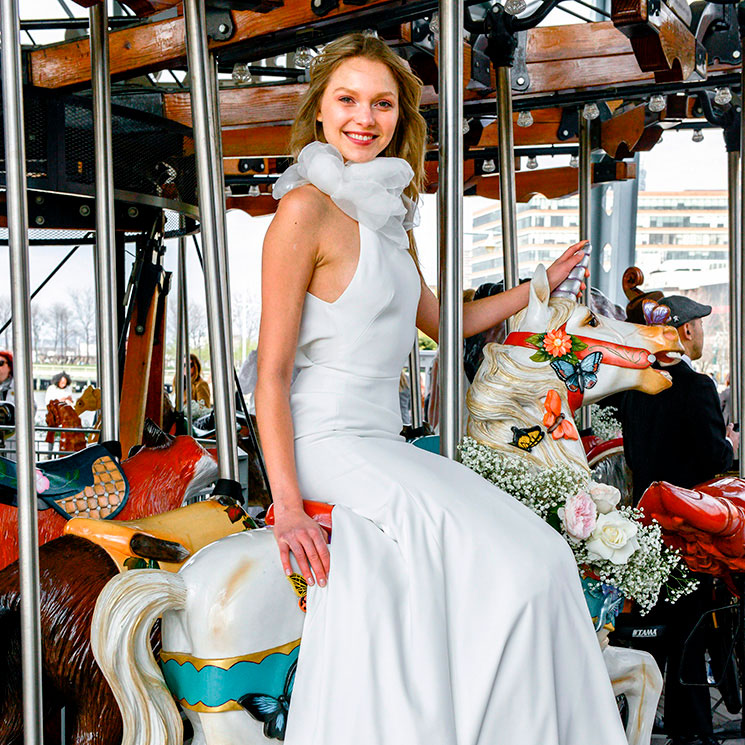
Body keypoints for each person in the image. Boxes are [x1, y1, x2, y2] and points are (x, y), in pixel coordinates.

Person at [255, 33, 626, 745]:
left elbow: (443, 323)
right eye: (348, 100)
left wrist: (537, 284)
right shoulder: (303, 211)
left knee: (540, 554)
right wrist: (288, 506)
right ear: (321, 111)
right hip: (324, 439)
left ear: (400, 117)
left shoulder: (385, 219)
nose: (365, 117)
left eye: (382, 103)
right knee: (521, 564)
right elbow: (270, 373)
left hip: (379, 441)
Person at [620, 295, 739, 745]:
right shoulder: (696, 388)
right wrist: (728, 444)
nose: (703, 334)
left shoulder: (637, 387)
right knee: (690, 636)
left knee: (652, 636)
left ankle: (639, 723)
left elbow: (634, 456)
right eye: (701, 326)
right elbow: (712, 458)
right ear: (685, 331)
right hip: (688, 531)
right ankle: (693, 734)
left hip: (646, 529)